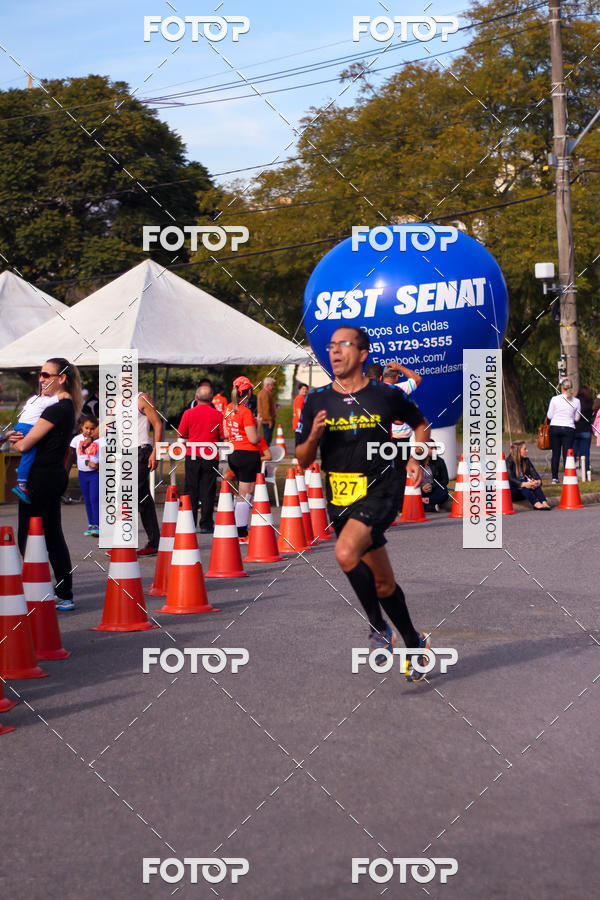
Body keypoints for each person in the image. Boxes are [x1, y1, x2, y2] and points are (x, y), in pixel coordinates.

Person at [295, 326, 431, 682]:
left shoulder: (385, 394)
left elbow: (420, 424)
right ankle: (416, 645)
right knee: (383, 584)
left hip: (381, 489)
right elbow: (301, 457)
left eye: (343, 345)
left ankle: (378, 629)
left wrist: (416, 459)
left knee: (344, 554)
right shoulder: (317, 400)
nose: (335, 352)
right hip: (340, 498)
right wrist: (313, 437)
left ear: (363, 352)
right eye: (331, 346)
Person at [8, 358, 81, 610]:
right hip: (53, 475)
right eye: (40, 374)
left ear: (62, 378)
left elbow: (25, 444)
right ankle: (64, 592)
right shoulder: (67, 407)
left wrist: (13, 442)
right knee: (52, 535)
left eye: (46, 375)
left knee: (28, 536)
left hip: (40, 477)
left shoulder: (54, 410)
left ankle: (37, 591)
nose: (41, 379)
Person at [11, 385, 71, 503]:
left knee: (33, 449)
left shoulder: (32, 400)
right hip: (27, 427)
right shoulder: (43, 401)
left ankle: (23, 469)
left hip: (20, 425)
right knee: (30, 452)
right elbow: (57, 399)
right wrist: (65, 395)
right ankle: (21, 484)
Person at [178, 384, 224, 533]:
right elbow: (222, 435)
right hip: (210, 454)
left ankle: (189, 522)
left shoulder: (188, 413)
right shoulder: (218, 415)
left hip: (193, 453)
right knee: (208, 489)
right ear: (211, 399)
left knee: (190, 488)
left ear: (196, 398)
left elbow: (182, 434)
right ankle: (206, 524)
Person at [224, 376, 262, 538]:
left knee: (242, 492)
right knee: (246, 493)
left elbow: (226, 433)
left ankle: (241, 526)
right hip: (248, 453)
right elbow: (254, 439)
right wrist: (258, 424)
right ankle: (240, 530)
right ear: (248, 393)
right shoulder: (245, 412)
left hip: (234, 453)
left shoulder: (227, 409)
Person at [382, 361, 423, 510]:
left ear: (382, 377)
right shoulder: (399, 389)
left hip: (383, 437)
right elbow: (417, 378)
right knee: (400, 472)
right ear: (397, 377)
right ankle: (398, 505)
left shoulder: (376, 390)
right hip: (400, 438)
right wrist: (400, 367)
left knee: (385, 471)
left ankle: (385, 503)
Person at [135, 392, 164, 555]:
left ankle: (121, 544)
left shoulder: (142, 398)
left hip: (142, 451)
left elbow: (157, 424)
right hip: (126, 452)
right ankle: (154, 543)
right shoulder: (117, 401)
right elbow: (107, 424)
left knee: (125, 494)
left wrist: (156, 452)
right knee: (143, 499)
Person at [69, 415, 100, 535]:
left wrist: (97, 465)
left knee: (94, 499)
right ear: (81, 427)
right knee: (87, 500)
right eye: (86, 428)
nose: (89, 431)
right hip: (82, 474)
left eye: (92, 428)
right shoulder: (76, 439)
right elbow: (71, 454)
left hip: (95, 474)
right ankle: (91, 524)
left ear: (96, 428)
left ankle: (97, 525)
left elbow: (108, 458)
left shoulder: (99, 440)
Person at [547, 379, 581, 483]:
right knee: (567, 454)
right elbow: (576, 418)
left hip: (555, 427)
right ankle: (568, 476)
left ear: (562, 387)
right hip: (568, 428)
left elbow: (549, 415)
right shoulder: (576, 401)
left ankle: (554, 477)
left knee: (555, 453)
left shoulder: (554, 399)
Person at [506, 441, 551, 510]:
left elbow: (535, 475)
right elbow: (511, 479)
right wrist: (524, 484)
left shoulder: (526, 460)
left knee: (534, 483)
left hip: (524, 493)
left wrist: (537, 481)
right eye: (525, 449)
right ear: (518, 450)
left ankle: (544, 502)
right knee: (523, 482)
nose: (527, 451)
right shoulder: (509, 461)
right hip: (512, 493)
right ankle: (536, 503)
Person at [572, 386, 594, 473]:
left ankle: (572, 471)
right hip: (586, 431)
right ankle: (586, 471)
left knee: (572, 453)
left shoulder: (575, 402)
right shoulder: (590, 403)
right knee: (585, 454)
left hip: (575, 430)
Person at [257, 377, 276, 444]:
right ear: (268, 385)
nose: (273, 387)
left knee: (267, 438)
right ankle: (265, 453)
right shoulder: (265, 394)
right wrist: (269, 420)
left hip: (265, 419)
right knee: (267, 439)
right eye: (272, 385)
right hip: (266, 420)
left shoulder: (263, 392)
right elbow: (266, 408)